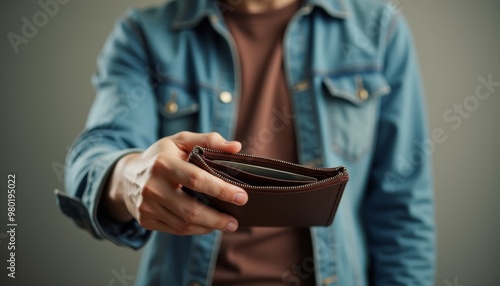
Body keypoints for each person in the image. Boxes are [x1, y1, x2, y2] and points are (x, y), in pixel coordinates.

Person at [56, 0, 436, 285]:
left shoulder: (378, 29)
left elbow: (402, 208)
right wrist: (129, 177)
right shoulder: (144, 34)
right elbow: (96, 152)